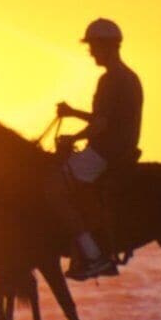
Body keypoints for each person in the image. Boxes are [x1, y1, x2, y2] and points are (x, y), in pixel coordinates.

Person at [50, 17, 143, 278]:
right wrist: (72, 113)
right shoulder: (127, 77)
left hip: (105, 151)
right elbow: (104, 117)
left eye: (92, 46)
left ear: (105, 46)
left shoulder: (111, 79)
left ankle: (92, 255)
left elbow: (101, 125)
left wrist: (72, 138)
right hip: (117, 148)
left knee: (55, 186)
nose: (90, 52)